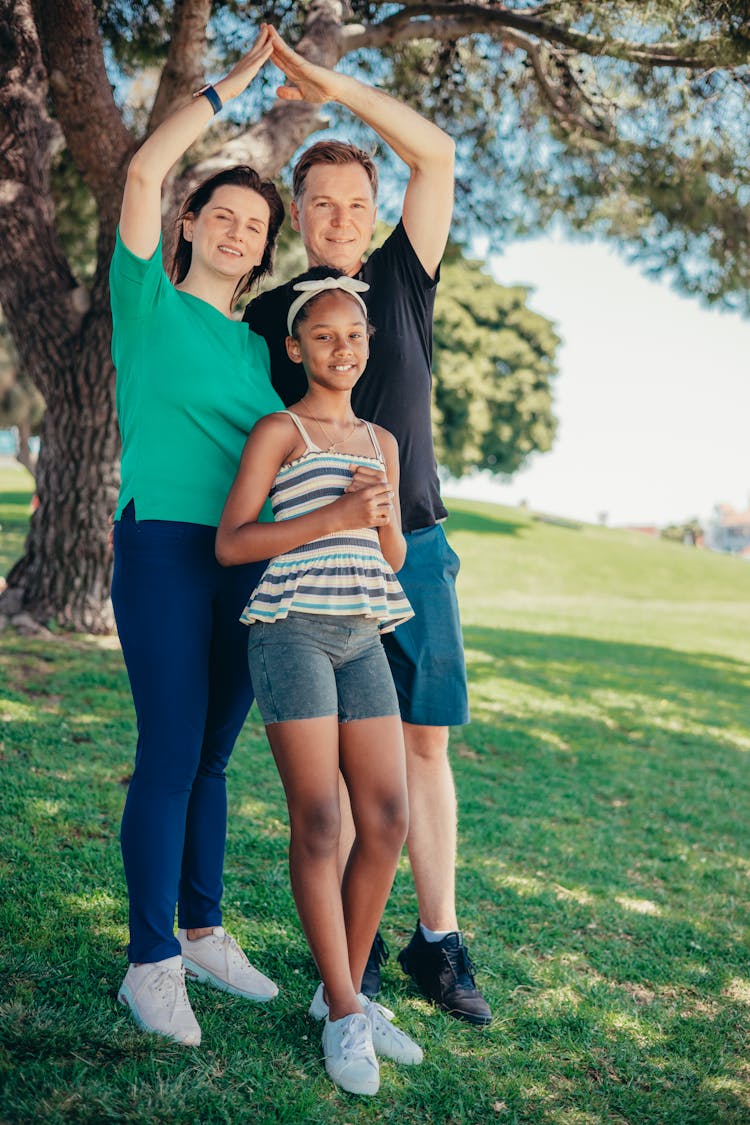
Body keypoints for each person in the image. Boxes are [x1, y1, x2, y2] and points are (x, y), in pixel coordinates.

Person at [243, 28, 492, 1026]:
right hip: (316, 569)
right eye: (322, 203)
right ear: (297, 216)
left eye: (357, 202)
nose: (341, 218)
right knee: (347, 773)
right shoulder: (266, 319)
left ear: (376, 212)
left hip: (415, 554)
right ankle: (355, 956)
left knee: (423, 752)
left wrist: (329, 86)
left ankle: (438, 943)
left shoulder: (402, 278)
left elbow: (437, 155)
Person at [110, 28, 285, 1046]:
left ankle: (203, 927)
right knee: (171, 748)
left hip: (246, 562)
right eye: (222, 213)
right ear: (189, 224)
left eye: (254, 225)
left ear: (265, 248)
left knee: (215, 754)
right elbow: (140, 165)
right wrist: (231, 85)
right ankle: (150, 963)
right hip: (167, 547)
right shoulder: (148, 301)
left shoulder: (259, 356)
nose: (237, 231)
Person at [216, 271, 424, 1095]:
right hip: (291, 629)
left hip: (362, 633)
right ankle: (344, 1007)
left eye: (356, 336)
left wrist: (373, 516)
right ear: (297, 348)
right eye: (326, 336)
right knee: (321, 817)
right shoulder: (281, 430)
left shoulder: (383, 441)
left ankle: (345, 991)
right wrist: (333, 515)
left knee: (388, 817)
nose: (344, 347)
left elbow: (395, 556)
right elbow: (234, 542)